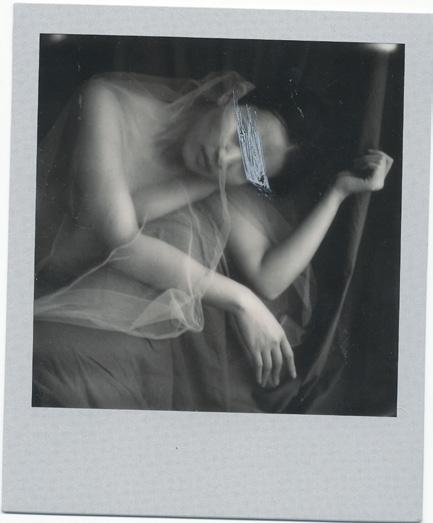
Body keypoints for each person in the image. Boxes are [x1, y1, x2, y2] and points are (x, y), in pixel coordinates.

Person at [33, 70, 393, 403]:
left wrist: (337, 194)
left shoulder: (216, 179)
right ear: (230, 96)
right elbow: (118, 237)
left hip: (67, 279)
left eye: (248, 166)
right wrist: (242, 300)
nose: (225, 157)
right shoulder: (105, 99)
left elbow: (269, 278)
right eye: (241, 135)